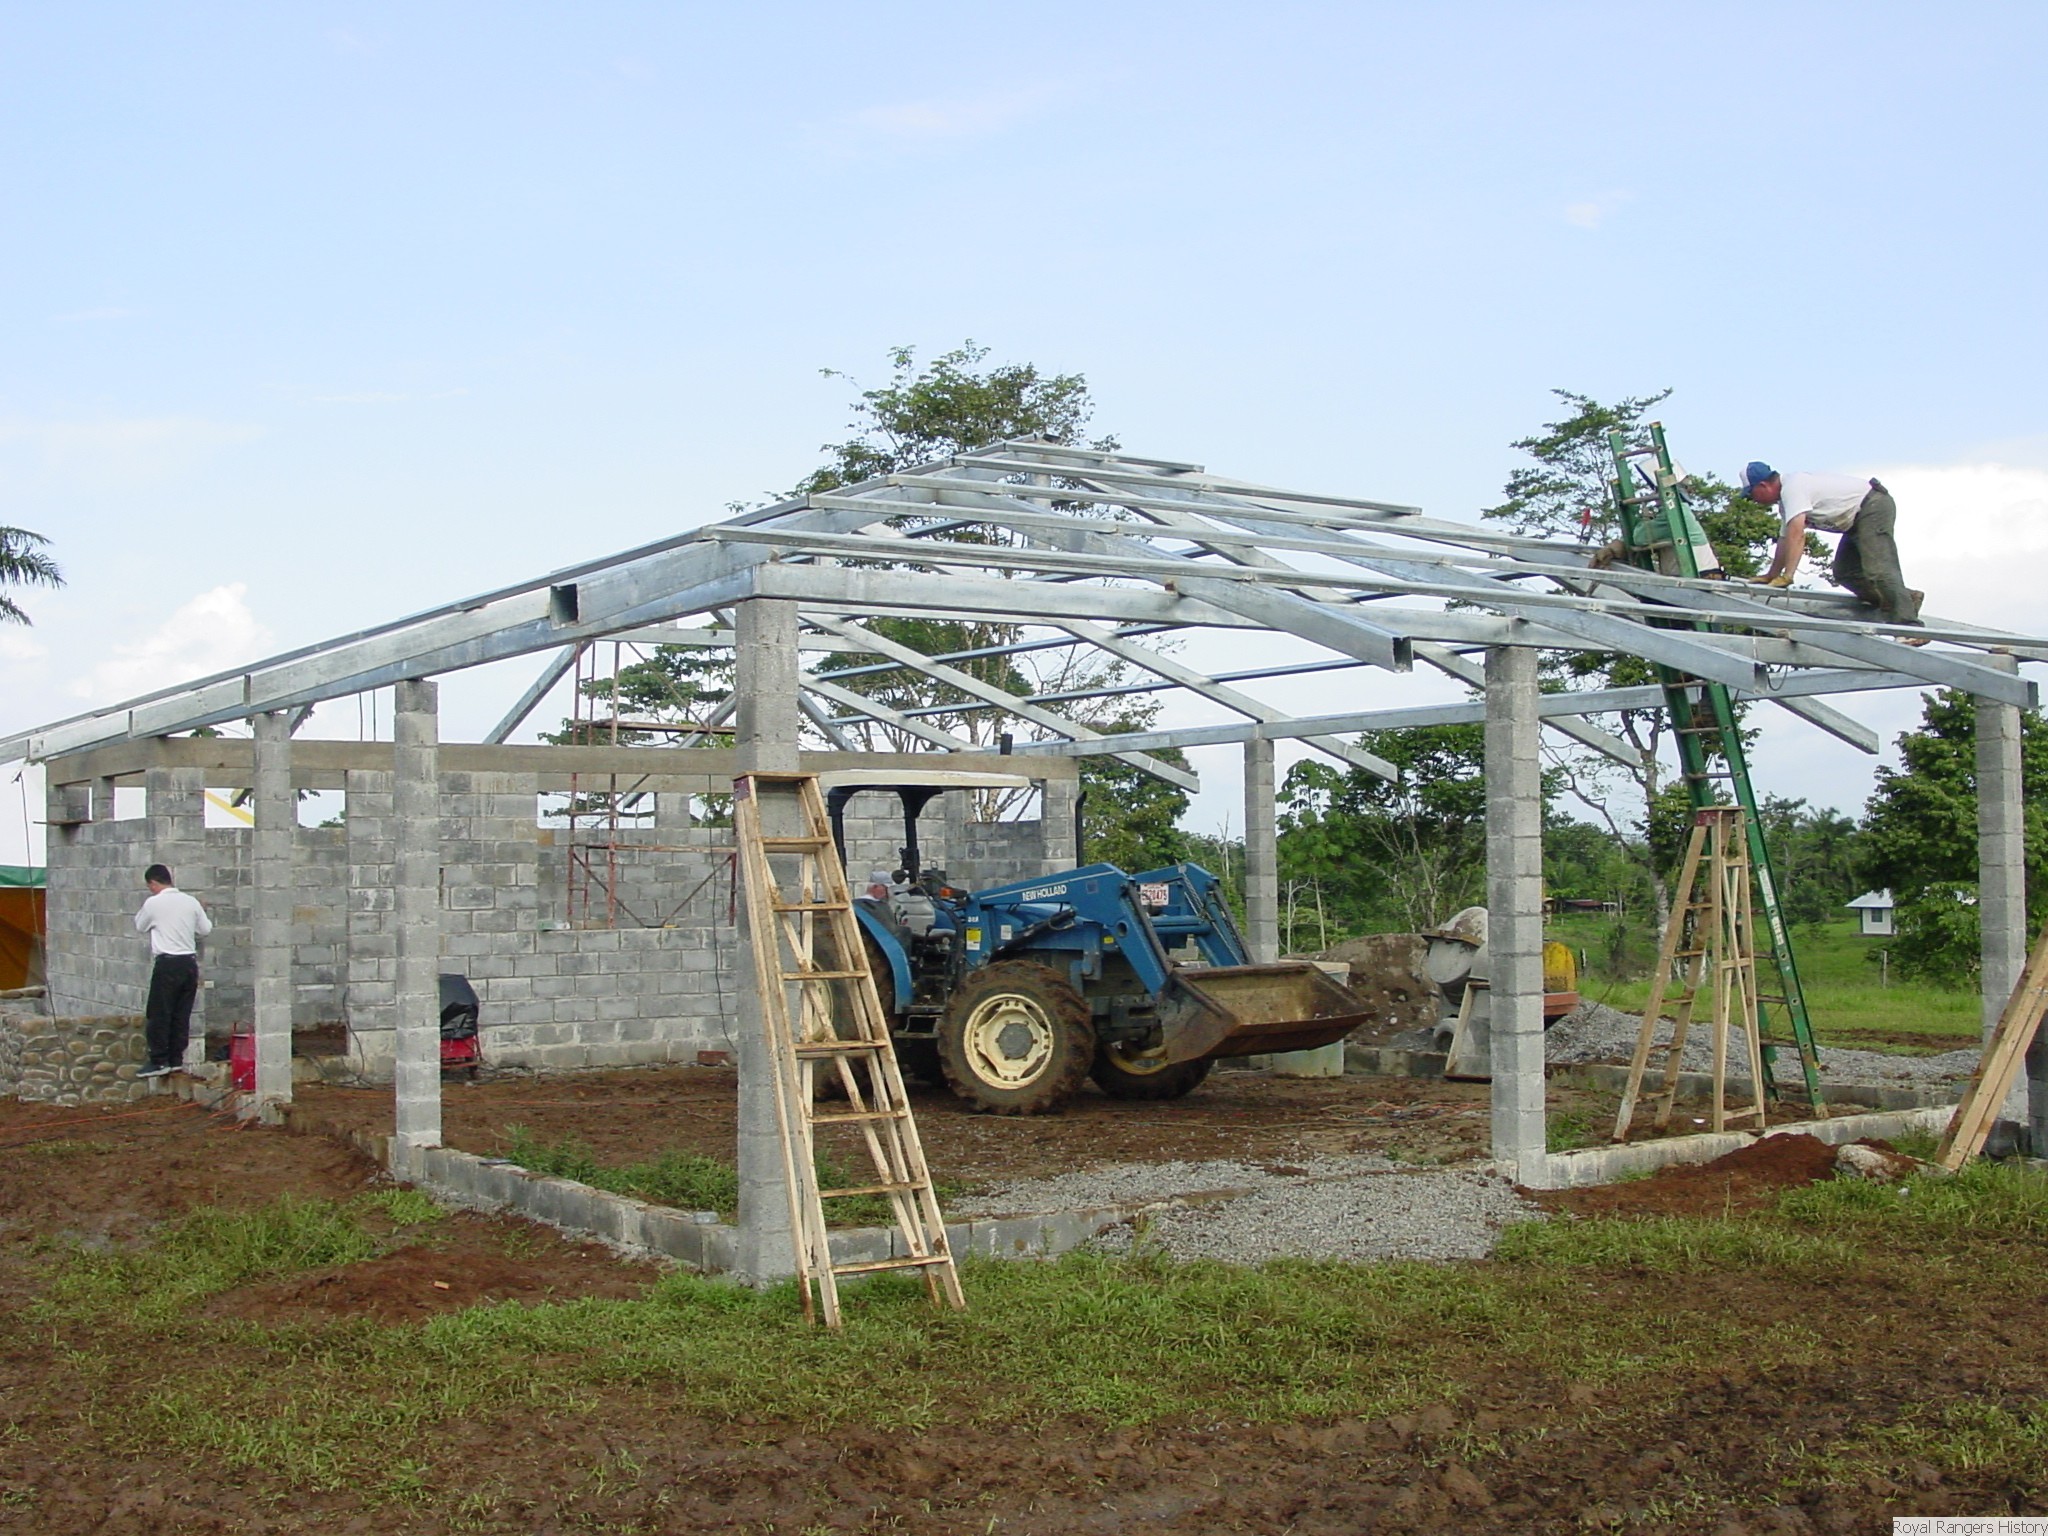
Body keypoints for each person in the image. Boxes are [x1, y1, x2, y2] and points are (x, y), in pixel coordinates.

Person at [1744, 461, 1924, 627]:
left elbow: (1797, 536)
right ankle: (1906, 599)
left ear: (1763, 485)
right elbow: (1785, 541)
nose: (1753, 499)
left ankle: (1909, 625)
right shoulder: (1786, 502)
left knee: (1879, 569)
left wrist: (1788, 575)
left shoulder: (1792, 488)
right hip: (1855, 520)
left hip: (1871, 506)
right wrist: (1772, 575)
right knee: (1846, 573)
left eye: (1752, 494)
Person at [134, 863, 212, 1078]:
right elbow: (205, 929)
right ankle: (176, 1058)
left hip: (167, 963)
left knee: (159, 1013)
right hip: (189, 964)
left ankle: (159, 1060)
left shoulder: (154, 903)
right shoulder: (191, 901)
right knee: (181, 1013)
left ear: (153, 883)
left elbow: (140, 926)